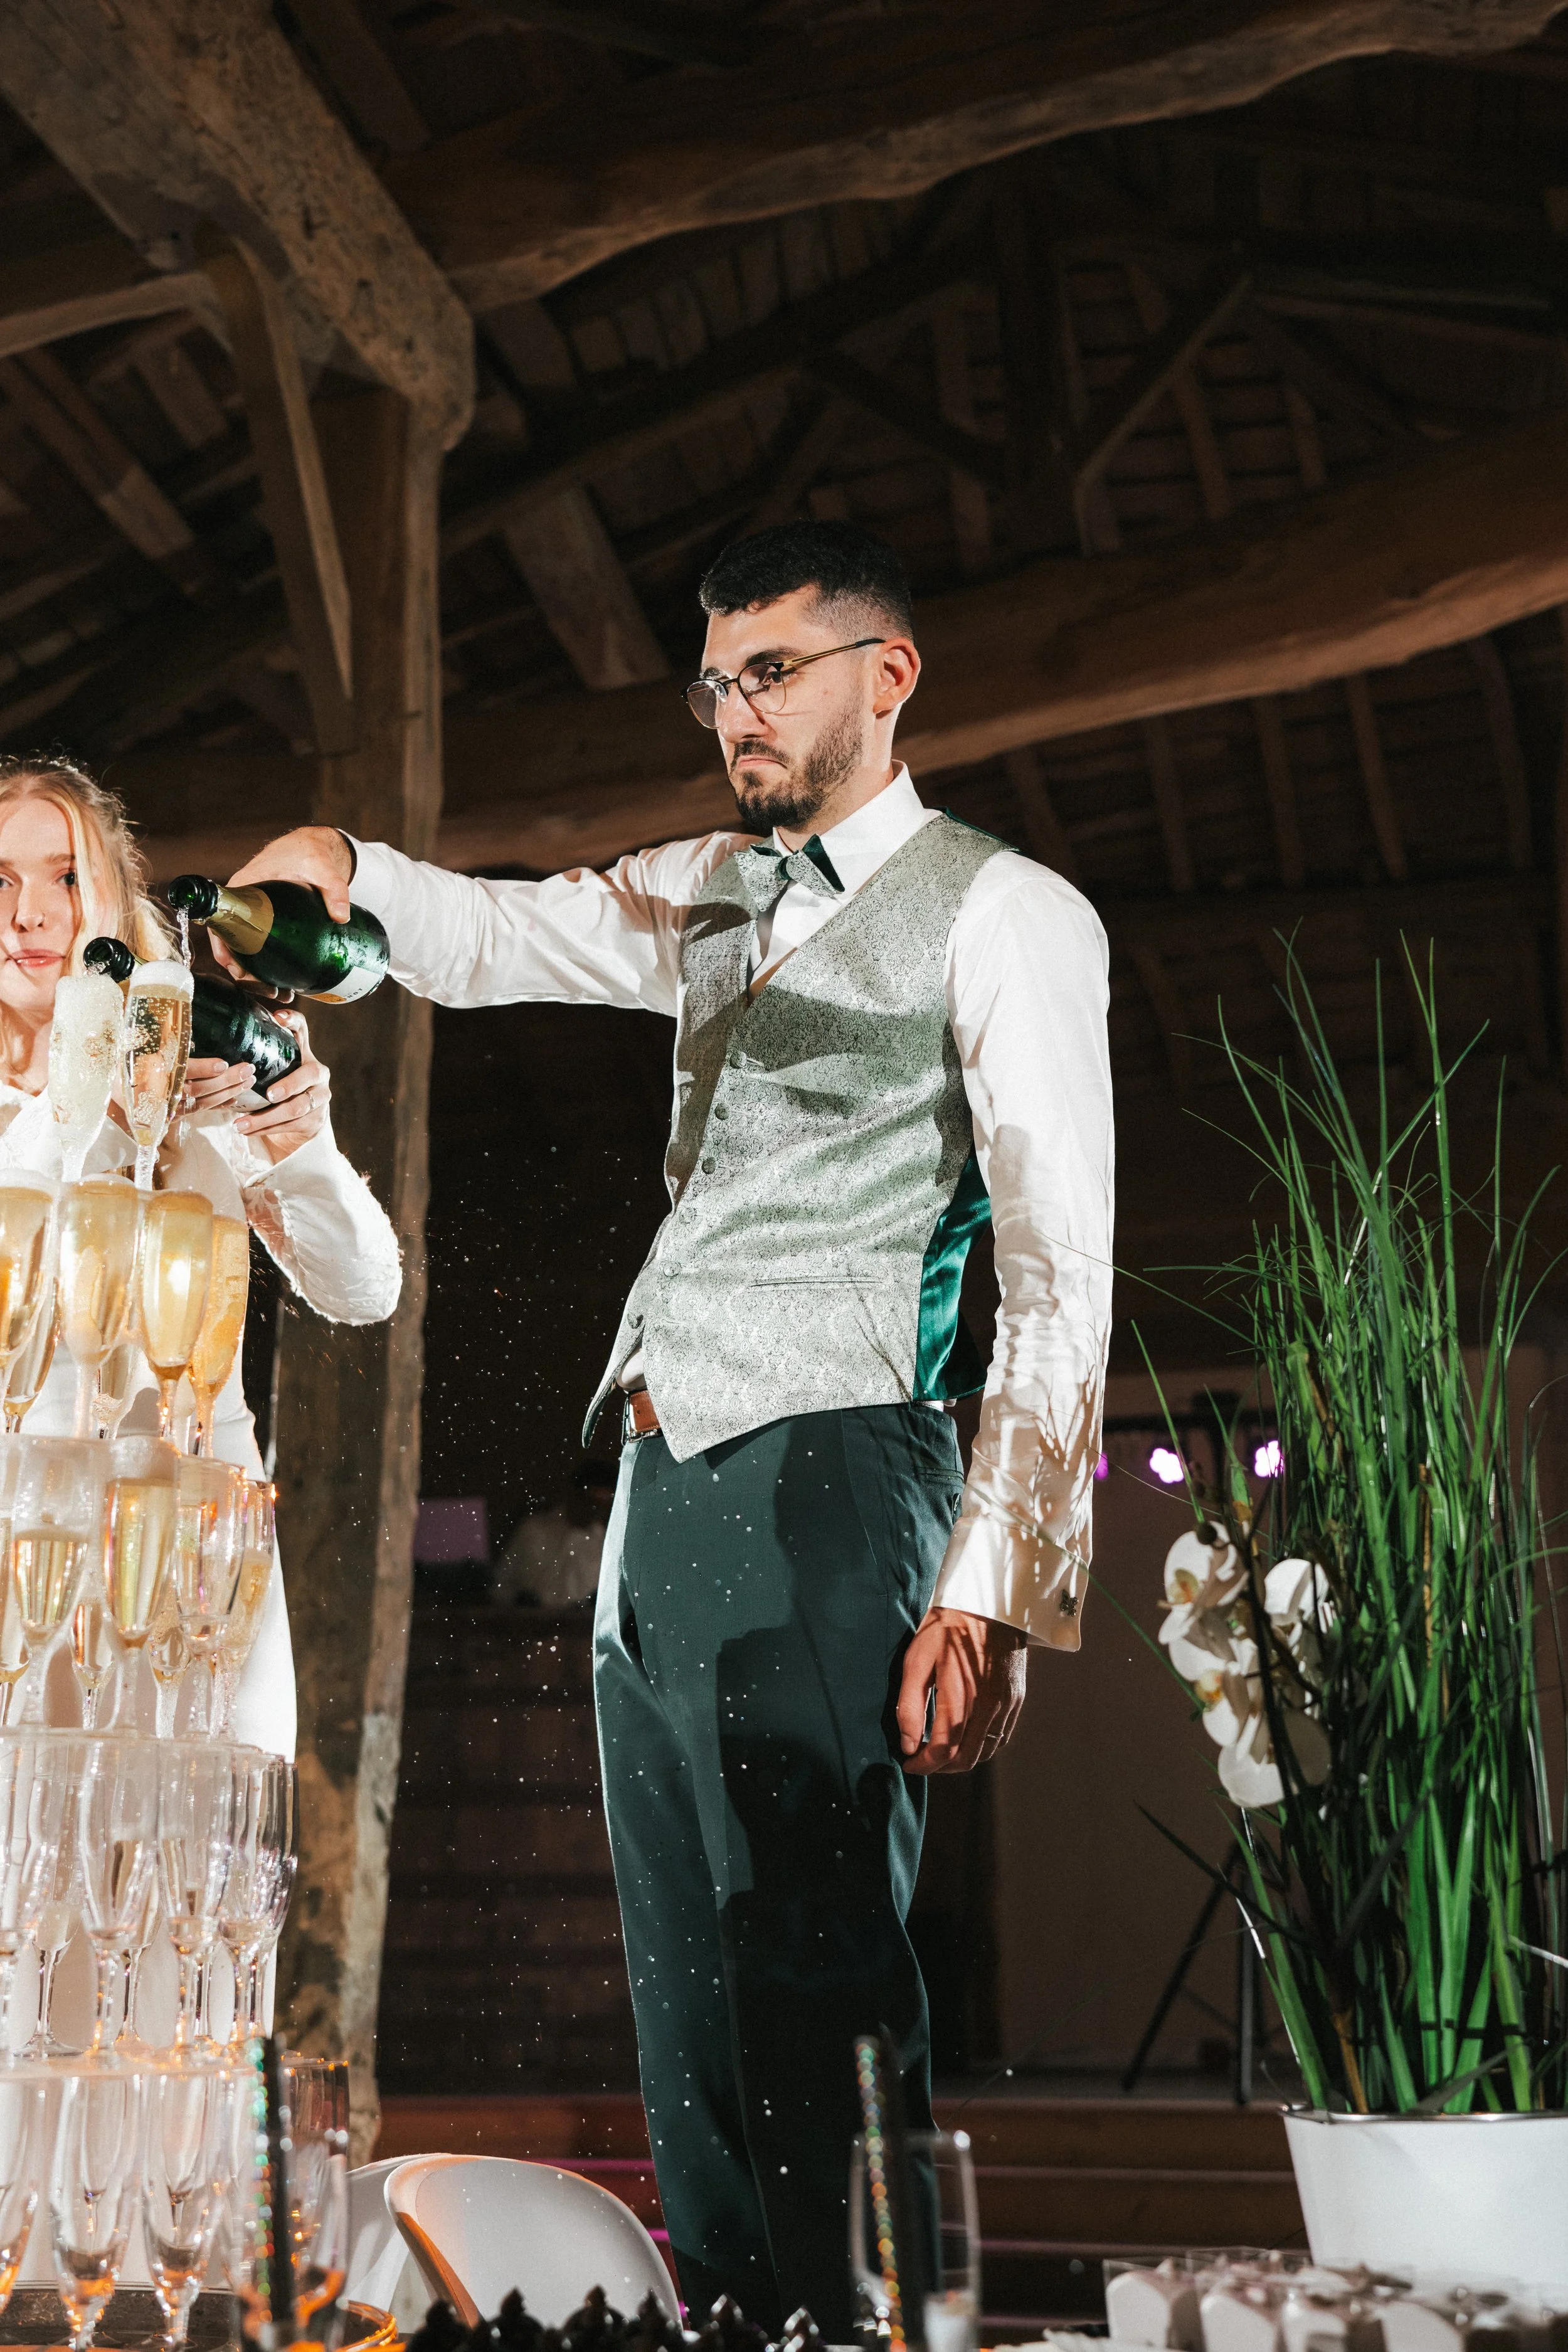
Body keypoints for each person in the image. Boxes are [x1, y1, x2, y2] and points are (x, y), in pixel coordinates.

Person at [227, 521, 1114, 2334]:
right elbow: (497, 930)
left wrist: (997, 1578)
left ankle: (862, 2327)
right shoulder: (712, 886)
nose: (735, 713)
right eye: (714, 683)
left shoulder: (1005, 910)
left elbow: (1060, 1259)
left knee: (813, 1960)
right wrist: (344, 865)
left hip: (839, 1460)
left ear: (889, 672)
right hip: (658, 1476)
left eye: (770, 671)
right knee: (686, 1983)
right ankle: (727, 2322)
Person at [0, 756, 403, 1758]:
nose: (29, 914)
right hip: (24, 1535)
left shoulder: (194, 1059)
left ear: (115, 893)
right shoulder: (101, 1089)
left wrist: (297, 1143)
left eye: (65, 877)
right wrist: (95, 1093)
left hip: (194, 1537)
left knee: (196, 1833)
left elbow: (364, 1290)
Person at [495, 1462, 617, 1608]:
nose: (594, 1510)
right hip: (533, 1620)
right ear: (574, 1495)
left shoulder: (608, 1544)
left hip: (583, 1621)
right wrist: (520, 1601)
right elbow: (501, 1584)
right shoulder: (534, 1531)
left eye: (602, 1505)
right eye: (590, 1501)